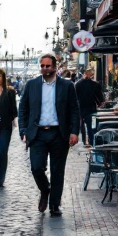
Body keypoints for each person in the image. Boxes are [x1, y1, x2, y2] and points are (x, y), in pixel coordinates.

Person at [18, 53, 81, 217]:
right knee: (36, 167)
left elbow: (74, 110)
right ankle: (45, 190)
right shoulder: (31, 85)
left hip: (59, 134)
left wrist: (74, 131)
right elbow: (23, 109)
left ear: (54, 67)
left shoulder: (66, 86)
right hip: (37, 134)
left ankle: (54, 205)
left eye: (47, 66)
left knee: (57, 171)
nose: (44, 69)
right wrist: (23, 130)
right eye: (42, 66)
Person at [75, 67, 106, 146]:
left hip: (81, 110)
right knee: (92, 128)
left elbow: (75, 98)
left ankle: (84, 141)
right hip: (92, 110)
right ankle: (93, 143)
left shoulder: (77, 84)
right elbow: (101, 99)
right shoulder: (95, 85)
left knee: (82, 126)